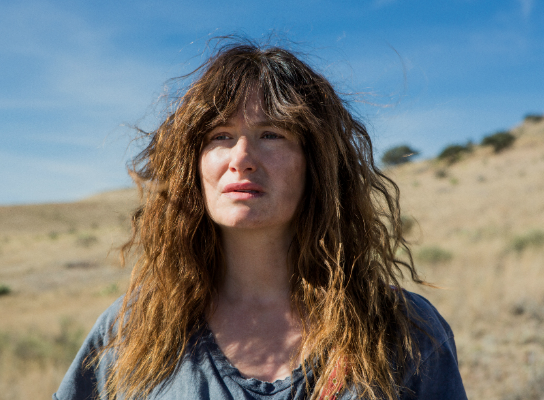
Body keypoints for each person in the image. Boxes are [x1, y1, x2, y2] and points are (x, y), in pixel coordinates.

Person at [54, 39, 467, 400]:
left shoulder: (402, 329)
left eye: (271, 134)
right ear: (192, 165)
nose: (241, 159)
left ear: (316, 164)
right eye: (220, 136)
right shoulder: (132, 330)